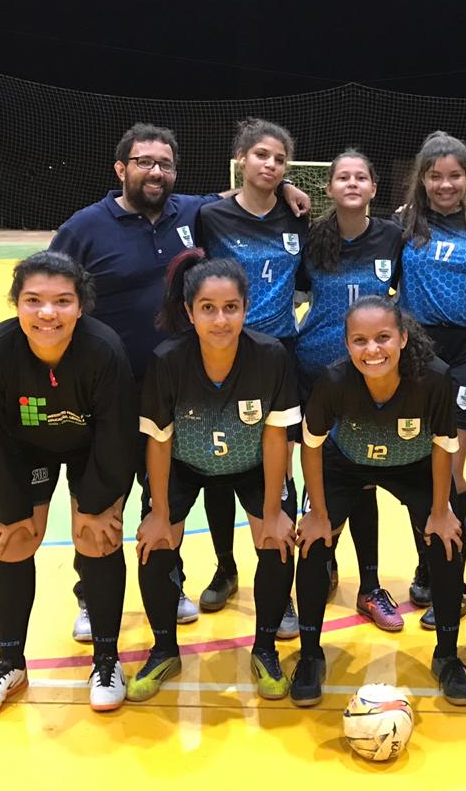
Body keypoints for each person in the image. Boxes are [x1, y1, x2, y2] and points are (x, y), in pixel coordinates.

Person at [50, 122, 310, 634]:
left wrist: (283, 187)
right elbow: (50, 290)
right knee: (98, 494)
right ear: (121, 168)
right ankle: (90, 595)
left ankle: (172, 588)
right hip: (108, 390)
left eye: (165, 164)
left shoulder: (191, 212)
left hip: (176, 388)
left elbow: (245, 190)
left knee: (161, 495)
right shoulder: (85, 226)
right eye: (144, 162)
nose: (156, 172)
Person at [0, 252, 136, 719]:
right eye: (33, 300)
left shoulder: (104, 351)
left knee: (96, 537)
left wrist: (100, 506)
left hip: (90, 449)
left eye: (62, 301)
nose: (47, 313)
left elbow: (117, 436)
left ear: (81, 306)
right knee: (13, 541)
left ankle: (106, 660)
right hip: (25, 452)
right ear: (16, 303)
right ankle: (10, 663)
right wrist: (8, 508)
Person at [130, 253, 300, 701]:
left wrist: (274, 511)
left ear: (246, 307)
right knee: (155, 541)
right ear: (189, 312)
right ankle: (164, 648)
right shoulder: (168, 360)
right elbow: (160, 441)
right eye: (208, 308)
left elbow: (276, 435)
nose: (220, 319)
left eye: (230, 308)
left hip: (253, 465)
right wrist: (159, 511)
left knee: (278, 538)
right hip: (185, 463)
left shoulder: (270, 356)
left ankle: (264, 649)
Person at [291, 296, 466, 705]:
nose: (372, 350)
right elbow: (312, 445)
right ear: (347, 344)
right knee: (314, 544)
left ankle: (447, 655)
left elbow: (445, 445)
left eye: (383, 338)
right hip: (347, 463)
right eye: (360, 340)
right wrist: (319, 515)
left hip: (415, 465)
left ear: (403, 338)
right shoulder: (333, 380)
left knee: (447, 541)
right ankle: (309, 655)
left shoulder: (434, 379)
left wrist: (441, 512)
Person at [197, 119, 310, 636]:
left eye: (280, 160)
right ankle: (225, 567)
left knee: (277, 470)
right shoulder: (211, 215)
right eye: (261, 155)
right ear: (241, 157)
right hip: (223, 351)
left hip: (279, 353)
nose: (271, 165)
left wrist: (288, 191)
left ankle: (280, 587)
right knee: (219, 463)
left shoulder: (295, 215)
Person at [397, 131, 466, 629]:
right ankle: (427, 563)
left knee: (454, 467)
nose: (445, 184)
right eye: (435, 175)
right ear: (422, 177)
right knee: (421, 464)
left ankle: (451, 580)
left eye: (454, 175)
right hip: (417, 351)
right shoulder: (403, 225)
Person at [296, 150, 405, 631]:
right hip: (316, 370)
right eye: (343, 176)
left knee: (364, 473)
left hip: (372, 373)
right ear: (330, 187)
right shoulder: (312, 239)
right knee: (319, 466)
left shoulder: (394, 238)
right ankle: (324, 562)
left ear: (374, 187)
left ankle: (370, 584)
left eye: (362, 175)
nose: (353, 182)